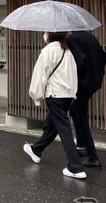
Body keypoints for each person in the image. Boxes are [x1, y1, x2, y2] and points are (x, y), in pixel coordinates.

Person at [23, 31, 87, 179]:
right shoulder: (67, 50)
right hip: (68, 95)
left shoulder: (48, 51)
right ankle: (36, 149)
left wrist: (36, 96)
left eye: (46, 32)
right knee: (52, 125)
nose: (44, 34)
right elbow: (73, 75)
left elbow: (39, 76)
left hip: (55, 95)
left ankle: (76, 167)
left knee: (64, 129)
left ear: (51, 35)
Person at [68, 31, 106, 169]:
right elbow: (104, 55)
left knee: (80, 116)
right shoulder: (91, 37)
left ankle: (93, 156)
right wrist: (98, 72)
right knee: (76, 111)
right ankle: (81, 147)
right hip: (94, 82)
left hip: (82, 84)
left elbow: (79, 62)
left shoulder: (73, 38)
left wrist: (74, 81)